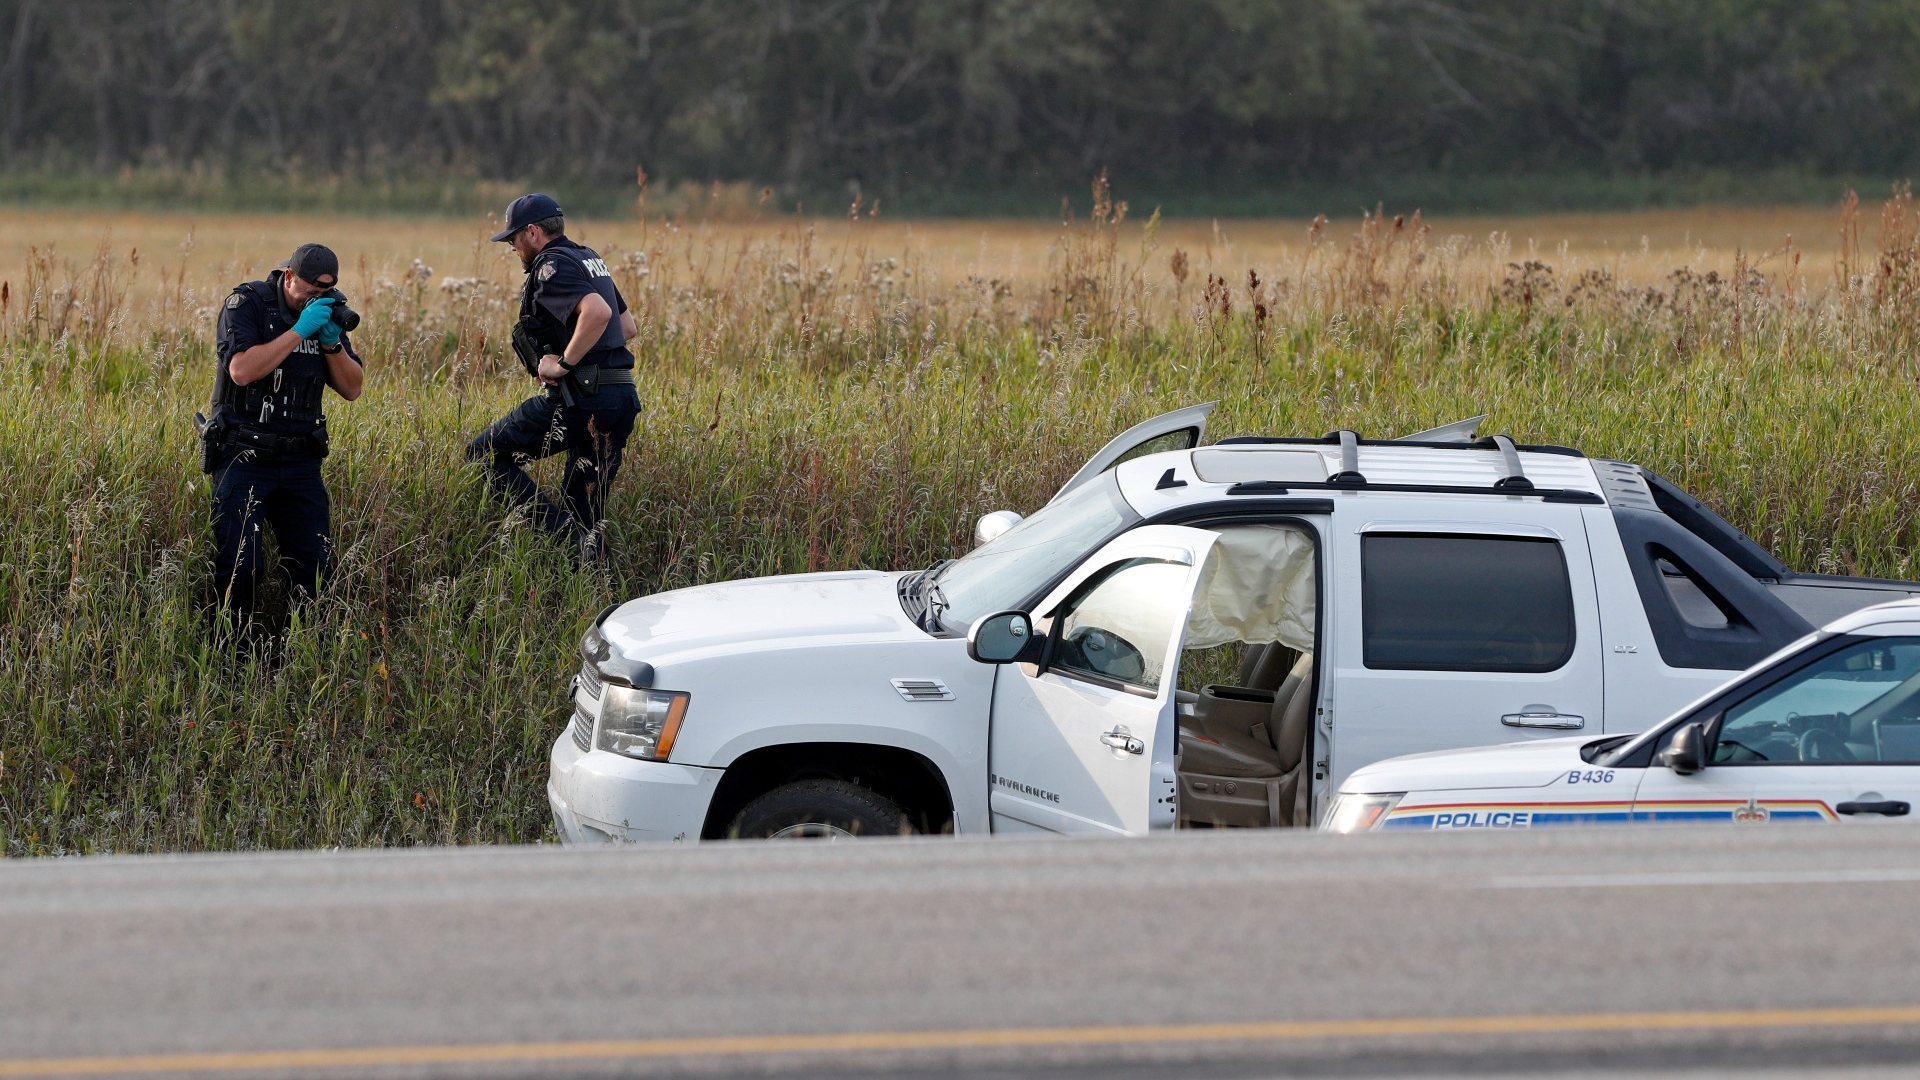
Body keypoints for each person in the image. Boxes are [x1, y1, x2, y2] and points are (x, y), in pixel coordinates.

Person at [467, 194, 640, 566]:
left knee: (482, 456)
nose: (512, 247)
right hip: (621, 398)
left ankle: (566, 537)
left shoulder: (551, 266)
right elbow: (627, 326)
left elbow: (597, 312)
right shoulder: (589, 259)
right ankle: (597, 586)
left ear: (532, 232)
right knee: (586, 514)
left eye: (513, 238)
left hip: (582, 401)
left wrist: (563, 363)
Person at [201, 243, 363, 625]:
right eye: (308, 290)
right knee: (241, 567)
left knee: (314, 569)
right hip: (243, 456)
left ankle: (302, 660)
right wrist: (299, 331)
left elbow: (353, 387)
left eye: (323, 292)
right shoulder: (248, 304)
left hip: (300, 460)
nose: (314, 299)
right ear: (289, 277)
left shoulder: (328, 313)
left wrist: (329, 342)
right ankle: (230, 661)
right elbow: (241, 370)